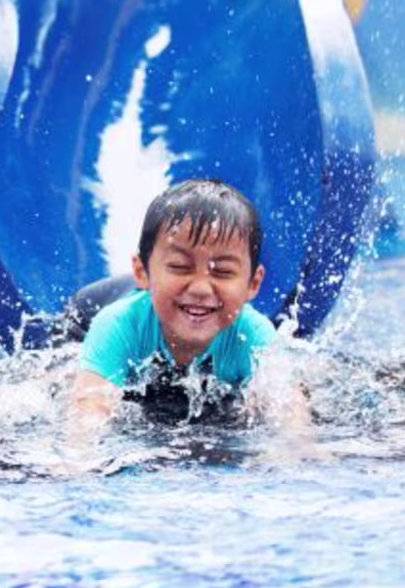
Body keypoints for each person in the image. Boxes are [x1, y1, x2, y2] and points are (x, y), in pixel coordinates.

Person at [67, 178, 296, 441]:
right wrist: (79, 454)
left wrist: (293, 452)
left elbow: (291, 416)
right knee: (62, 380)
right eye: (180, 266)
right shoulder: (117, 325)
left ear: (252, 284)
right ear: (142, 272)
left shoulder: (253, 336)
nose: (200, 288)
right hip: (90, 311)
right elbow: (88, 414)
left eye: (222, 271)